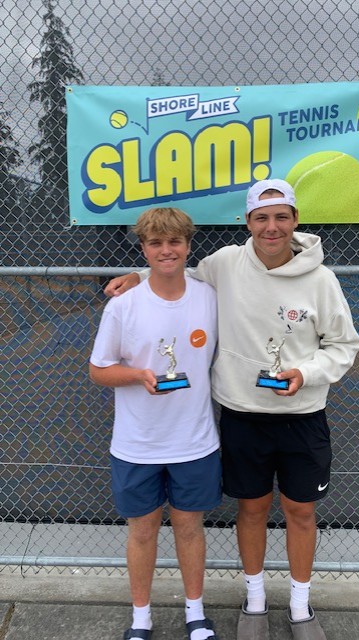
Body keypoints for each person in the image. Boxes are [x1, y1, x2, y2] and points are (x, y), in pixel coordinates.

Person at [105, 180, 359, 640]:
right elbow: (176, 270)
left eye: (281, 217)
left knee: (301, 512)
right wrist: (136, 278)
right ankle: (256, 602)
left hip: (303, 416)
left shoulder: (322, 279)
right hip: (243, 415)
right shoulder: (225, 263)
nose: (271, 227)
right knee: (252, 509)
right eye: (261, 218)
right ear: (247, 223)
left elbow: (345, 345)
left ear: (295, 221)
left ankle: (301, 609)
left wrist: (306, 373)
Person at [90, 207, 221, 640]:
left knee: (189, 527)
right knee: (143, 531)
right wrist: (138, 376)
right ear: (143, 249)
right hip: (137, 445)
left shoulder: (209, 296)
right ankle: (140, 618)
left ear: (187, 245)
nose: (166, 251)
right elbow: (98, 370)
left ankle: (195, 613)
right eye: (156, 243)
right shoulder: (123, 306)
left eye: (174, 242)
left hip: (195, 441)